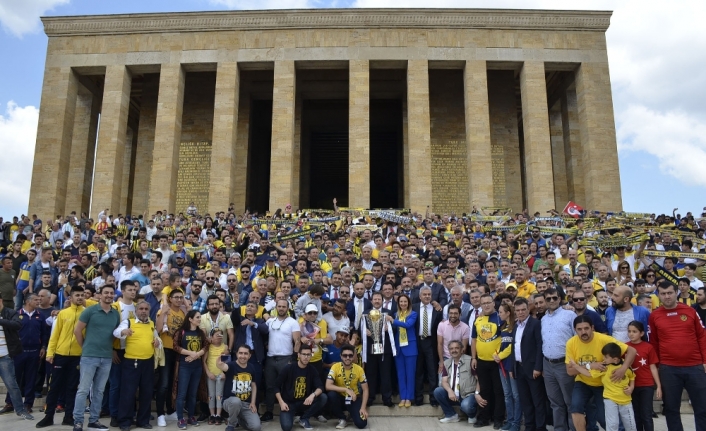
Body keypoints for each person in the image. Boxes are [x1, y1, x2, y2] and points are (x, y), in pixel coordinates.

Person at [649, 281, 706, 431]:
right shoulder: (654, 316)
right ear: (658, 295)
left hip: (695, 367)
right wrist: (658, 366)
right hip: (669, 369)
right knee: (672, 409)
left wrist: (705, 361)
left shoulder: (690, 311)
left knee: (703, 408)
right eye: (663, 293)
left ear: (676, 293)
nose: (667, 296)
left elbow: (702, 337)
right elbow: (653, 343)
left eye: (670, 293)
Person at [566, 315, 636, 431]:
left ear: (592, 327)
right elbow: (570, 371)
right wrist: (589, 366)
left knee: (604, 419)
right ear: (575, 330)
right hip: (583, 381)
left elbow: (632, 350)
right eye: (579, 329)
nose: (583, 332)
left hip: (604, 384)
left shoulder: (603, 339)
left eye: (586, 328)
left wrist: (623, 368)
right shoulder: (571, 343)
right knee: (575, 407)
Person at [72, 284, 121, 431]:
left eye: (111, 293)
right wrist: (85, 347)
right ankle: (78, 421)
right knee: (83, 389)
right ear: (100, 295)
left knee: (99, 391)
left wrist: (109, 349)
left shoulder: (115, 314)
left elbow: (114, 335)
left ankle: (94, 420)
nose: (109, 295)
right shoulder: (90, 311)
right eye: (106, 293)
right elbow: (77, 331)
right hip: (89, 356)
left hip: (106, 357)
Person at [36, 286, 85, 428]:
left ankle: (68, 416)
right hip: (60, 355)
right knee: (54, 387)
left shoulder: (86, 314)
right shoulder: (63, 314)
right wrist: (50, 353)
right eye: (77, 295)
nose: (80, 297)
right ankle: (48, 416)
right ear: (71, 297)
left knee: (71, 388)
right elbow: (55, 335)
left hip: (77, 356)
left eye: (82, 295)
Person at [112, 300, 160, 431]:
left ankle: (143, 420)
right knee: (128, 392)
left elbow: (157, 340)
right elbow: (115, 333)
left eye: (146, 309)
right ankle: (125, 421)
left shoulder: (151, 324)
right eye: (141, 309)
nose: (144, 311)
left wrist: (157, 343)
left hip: (148, 362)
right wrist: (124, 332)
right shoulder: (128, 322)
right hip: (131, 362)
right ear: (136, 310)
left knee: (146, 393)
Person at [1, 293, 46, 415]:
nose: (39, 301)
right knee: (13, 378)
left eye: (39, 299)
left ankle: (28, 404)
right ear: (28, 301)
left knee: (31, 378)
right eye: (36, 299)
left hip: (34, 352)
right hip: (18, 351)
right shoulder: (17, 314)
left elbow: (44, 334)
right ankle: (10, 403)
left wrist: (43, 346)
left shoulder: (40, 316)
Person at [540, 288, 576, 431]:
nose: (552, 301)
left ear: (559, 299)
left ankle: (573, 428)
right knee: (555, 402)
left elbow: (576, 339)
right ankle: (560, 429)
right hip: (547, 364)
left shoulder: (569, 315)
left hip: (564, 364)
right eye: (548, 299)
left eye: (554, 298)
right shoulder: (543, 318)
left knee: (570, 401)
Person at [509, 297, 547, 431]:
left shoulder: (535, 324)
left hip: (532, 369)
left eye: (523, 310)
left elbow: (539, 345)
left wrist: (538, 367)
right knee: (525, 401)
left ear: (528, 309)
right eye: (518, 310)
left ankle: (541, 427)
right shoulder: (516, 325)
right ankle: (529, 427)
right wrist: (512, 367)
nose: (520, 312)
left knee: (537, 401)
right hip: (519, 368)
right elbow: (514, 347)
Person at [261, 299, 301, 422]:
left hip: (286, 358)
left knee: (287, 386)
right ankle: (269, 411)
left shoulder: (293, 322)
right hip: (271, 358)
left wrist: (294, 358)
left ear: (288, 308)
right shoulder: (270, 321)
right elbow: (263, 313)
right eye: (279, 306)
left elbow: (297, 341)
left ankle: (288, 411)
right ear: (276, 307)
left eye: (284, 306)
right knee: (270, 386)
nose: (281, 308)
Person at [471, 294, 505, 429]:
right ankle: (484, 417)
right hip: (482, 361)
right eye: (483, 303)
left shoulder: (500, 318)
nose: (486, 305)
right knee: (485, 391)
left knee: (498, 391)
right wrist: (474, 357)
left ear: (493, 303)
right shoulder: (478, 320)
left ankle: (498, 419)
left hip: (497, 362)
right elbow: (473, 340)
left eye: (488, 302)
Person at [275, 344, 328, 431]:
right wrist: (281, 402)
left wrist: (313, 395)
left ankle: (304, 418)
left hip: (304, 402)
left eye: (308, 354)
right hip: (289, 404)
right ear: (298, 354)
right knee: (286, 427)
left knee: (323, 397)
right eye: (304, 354)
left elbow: (320, 387)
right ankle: (293, 416)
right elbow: (276, 386)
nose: (306, 357)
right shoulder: (288, 368)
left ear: (311, 355)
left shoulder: (312, 369)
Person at [173, 310, 209, 429]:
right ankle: (180, 418)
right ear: (190, 319)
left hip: (197, 366)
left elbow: (206, 346)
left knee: (193, 394)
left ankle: (191, 416)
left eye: (200, 317)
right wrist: (191, 353)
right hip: (184, 365)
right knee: (182, 393)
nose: (199, 319)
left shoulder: (201, 333)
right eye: (197, 317)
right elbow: (175, 346)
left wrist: (197, 355)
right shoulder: (181, 331)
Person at [0, 295, 34, 421]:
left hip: (5, 356)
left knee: (12, 385)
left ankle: (20, 410)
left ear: (1, 300)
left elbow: (17, 324)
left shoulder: (10, 313)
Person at [155, 288, 185, 426]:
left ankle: (170, 410)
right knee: (164, 383)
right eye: (176, 297)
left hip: (178, 351)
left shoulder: (184, 313)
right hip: (166, 350)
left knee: (174, 382)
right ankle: (160, 413)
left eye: (181, 297)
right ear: (170, 298)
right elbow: (159, 329)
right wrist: (163, 313)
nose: (179, 300)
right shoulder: (163, 311)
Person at [361, 292, 395, 407]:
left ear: (382, 300)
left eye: (379, 299)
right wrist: (364, 331)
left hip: (385, 349)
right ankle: (370, 397)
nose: (376, 301)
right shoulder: (365, 313)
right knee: (371, 374)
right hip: (370, 348)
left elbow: (394, 329)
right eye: (374, 299)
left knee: (386, 374)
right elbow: (359, 328)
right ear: (371, 301)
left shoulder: (388, 312)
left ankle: (387, 398)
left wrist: (389, 327)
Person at [434, 339, 480, 424]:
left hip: (468, 395)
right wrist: (450, 391)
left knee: (466, 406)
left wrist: (477, 393)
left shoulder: (470, 361)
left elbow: (479, 380)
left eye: (456, 348)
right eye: (451, 349)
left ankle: (472, 415)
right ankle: (451, 415)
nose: (454, 350)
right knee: (438, 391)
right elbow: (444, 381)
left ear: (462, 349)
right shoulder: (446, 363)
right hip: (454, 395)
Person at [216, 345, 261, 431]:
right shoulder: (231, 365)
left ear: (249, 356)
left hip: (246, 405)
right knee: (236, 401)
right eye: (240, 353)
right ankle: (231, 425)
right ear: (236, 354)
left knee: (256, 427)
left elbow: (254, 385)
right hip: (230, 402)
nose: (243, 356)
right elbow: (221, 365)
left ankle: (239, 420)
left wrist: (253, 402)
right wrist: (221, 358)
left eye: (245, 353)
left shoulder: (251, 367)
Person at [626, 320, 661, 431]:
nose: (631, 334)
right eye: (629, 331)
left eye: (634, 331)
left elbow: (653, 367)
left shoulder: (648, 347)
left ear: (641, 333)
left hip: (646, 385)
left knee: (646, 415)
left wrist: (659, 386)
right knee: (636, 415)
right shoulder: (625, 347)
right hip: (631, 386)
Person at [325, 343, 369, 430]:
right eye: (345, 355)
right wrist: (345, 389)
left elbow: (366, 389)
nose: (347, 358)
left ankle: (352, 414)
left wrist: (363, 408)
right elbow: (327, 386)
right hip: (340, 398)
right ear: (341, 356)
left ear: (353, 357)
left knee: (362, 424)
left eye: (350, 355)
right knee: (331, 395)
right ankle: (342, 418)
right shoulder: (335, 367)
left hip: (354, 398)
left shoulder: (359, 369)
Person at [386, 293, 417, 407]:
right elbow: (394, 329)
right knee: (401, 374)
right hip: (398, 348)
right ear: (398, 304)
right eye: (401, 302)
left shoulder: (413, 314)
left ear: (408, 303)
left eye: (405, 301)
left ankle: (409, 397)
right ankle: (402, 397)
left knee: (410, 374)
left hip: (410, 348)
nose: (403, 303)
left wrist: (393, 321)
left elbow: (408, 325)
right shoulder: (396, 315)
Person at [414, 286, 442, 406]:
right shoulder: (414, 308)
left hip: (431, 342)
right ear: (420, 296)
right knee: (418, 371)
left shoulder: (437, 309)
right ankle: (418, 398)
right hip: (417, 342)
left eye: (429, 294)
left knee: (432, 371)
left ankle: (433, 399)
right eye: (424, 294)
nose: (426, 296)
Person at [494, 303, 520, 431]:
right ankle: (509, 421)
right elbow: (501, 344)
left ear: (508, 312)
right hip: (502, 365)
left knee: (516, 395)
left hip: (511, 365)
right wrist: (496, 354)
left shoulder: (516, 326)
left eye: (501, 312)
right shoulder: (502, 326)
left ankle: (516, 423)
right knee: (507, 395)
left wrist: (502, 355)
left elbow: (513, 345)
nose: (499, 314)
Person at [203, 328, 228, 424]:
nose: (219, 337)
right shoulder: (208, 347)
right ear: (211, 337)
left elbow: (227, 361)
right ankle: (212, 415)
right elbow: (204, 361)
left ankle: (218, 415)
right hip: (211, 375)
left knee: (219, 395)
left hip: (220, 375)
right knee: (211, 395)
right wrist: (208, 373)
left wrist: (224, 373)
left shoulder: (224, 347)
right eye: (216, 335)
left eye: (221, 335)